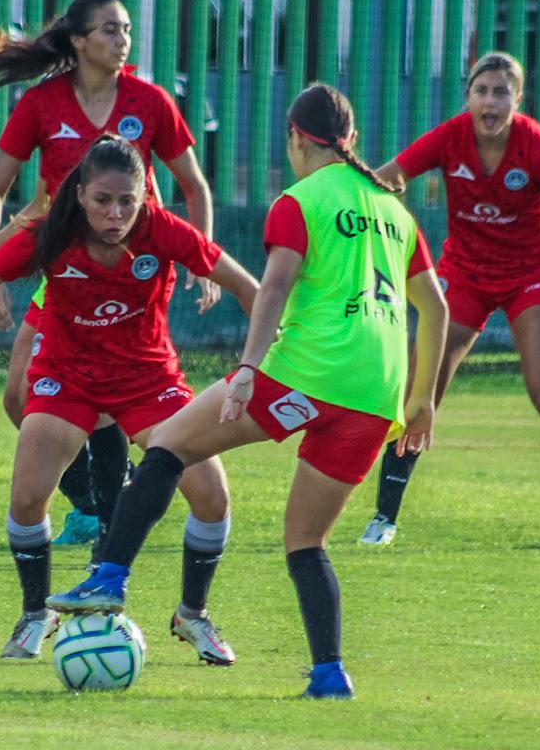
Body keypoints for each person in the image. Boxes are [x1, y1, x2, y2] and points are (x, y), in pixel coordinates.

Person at [49, 85, 449, 700]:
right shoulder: (394, 210)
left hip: (309, 371)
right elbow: (436, 308)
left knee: (171, 444)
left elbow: (274, 287)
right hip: (378, 395)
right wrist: (422, 402)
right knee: (306, 541)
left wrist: (246, 368)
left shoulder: (299, 200)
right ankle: (329, 673)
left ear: (295, 137)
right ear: (353, 142)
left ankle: (108, 577)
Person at [0, 136, 258, 664]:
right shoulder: (49, 235)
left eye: (128, 200)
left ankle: (193, 613)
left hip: (147, 377)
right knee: (28, 496)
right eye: (103, 200)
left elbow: (249, 287)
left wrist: (263, 360)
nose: (116, 213)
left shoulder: (163, 231)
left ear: (145, 194)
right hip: (66, 376)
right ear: (78, 194)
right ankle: (35, 613)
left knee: (211, 494)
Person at [0, 0, 219, 554]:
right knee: (19, 401)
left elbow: (194, 186)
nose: (123, 41)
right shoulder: (43, 104)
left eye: (127, 29)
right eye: (110, 30)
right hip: (63, 268)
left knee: (107, 385)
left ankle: (106, 522)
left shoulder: (151, 102)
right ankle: (105, 498)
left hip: (133, 274)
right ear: (79, 41)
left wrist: (204, 259)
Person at [358, 51, 540, 548]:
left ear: (518, 99)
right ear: (468, 96)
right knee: (421, 390)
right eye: (481, 90)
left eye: (501, 91)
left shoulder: (535, 146)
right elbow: (387, 181)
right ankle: (384, 519)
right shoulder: (450, 137)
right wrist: (348, 191)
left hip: (533, 274)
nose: (490, 101)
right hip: (464, 275)